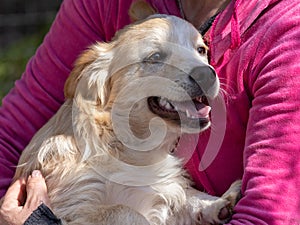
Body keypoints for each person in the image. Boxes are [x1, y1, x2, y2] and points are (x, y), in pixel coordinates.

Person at [0, 0, 299, 224]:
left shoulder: (287, 33)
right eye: (156, 57)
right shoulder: (102, 8)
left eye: (201, 50)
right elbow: (10, 137)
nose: (203, 71)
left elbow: (267, 216)